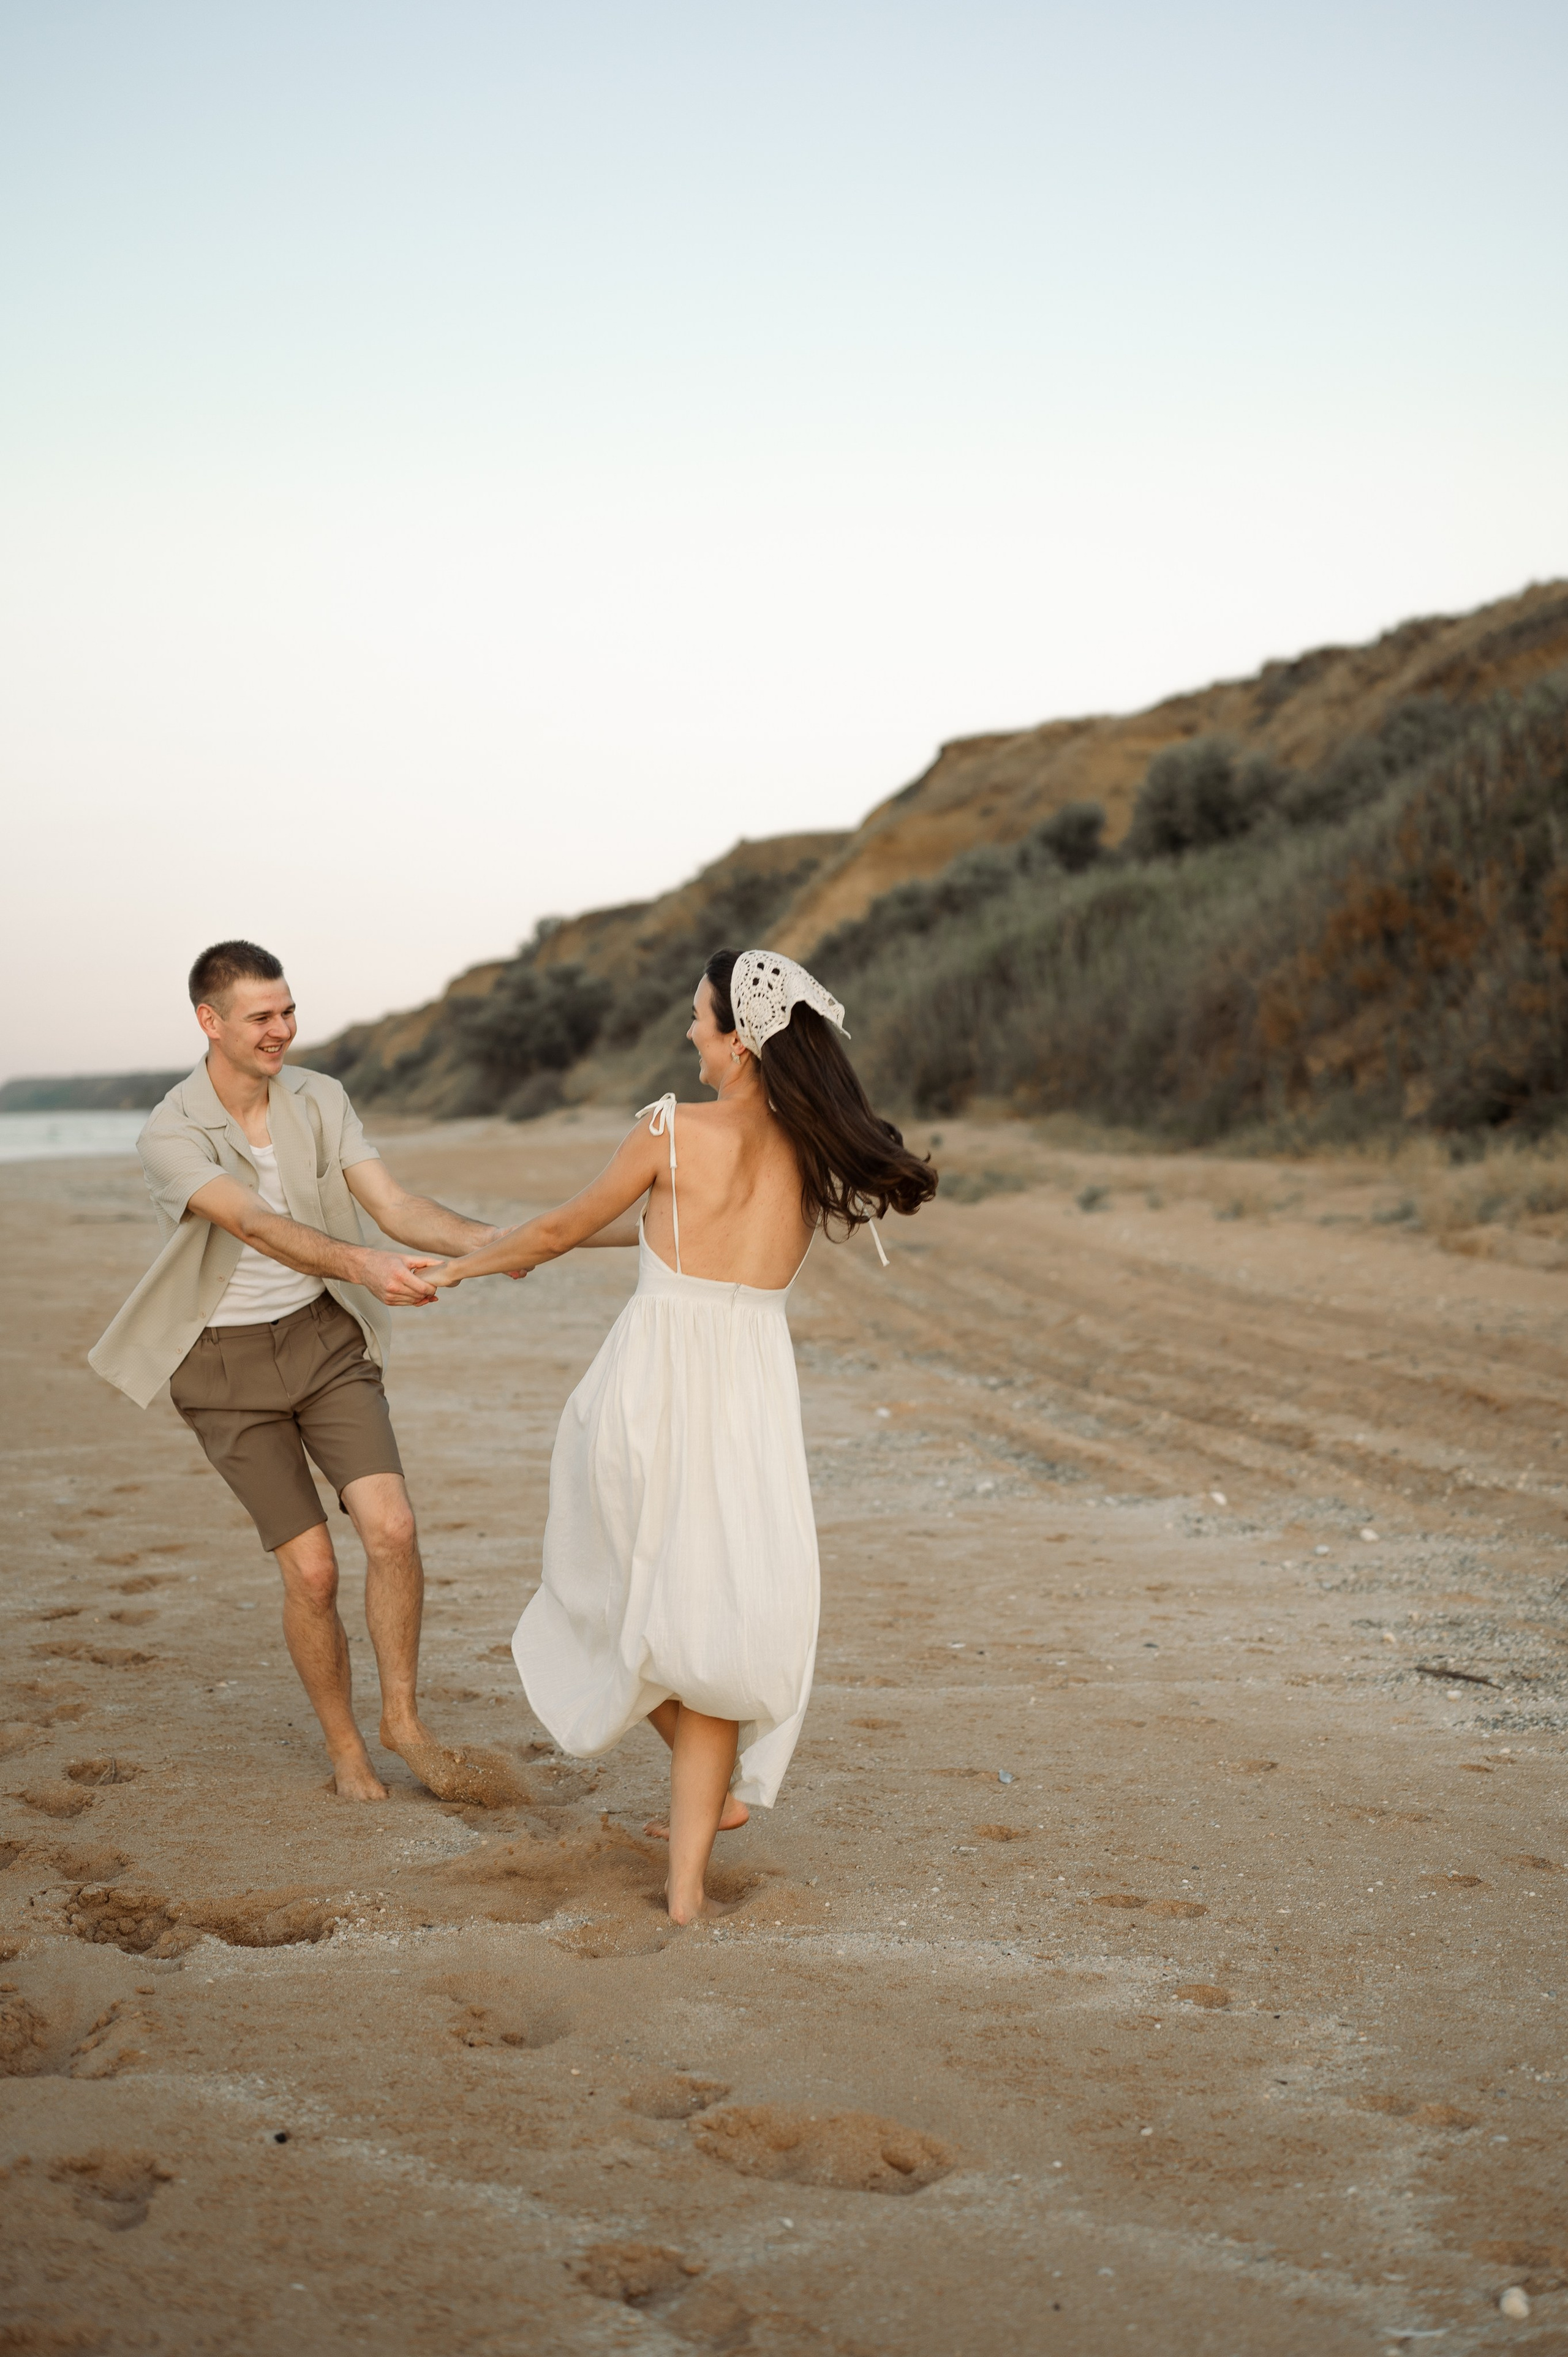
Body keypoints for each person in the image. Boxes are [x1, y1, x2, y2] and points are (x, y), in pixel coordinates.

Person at [424, 946, 937, 1920]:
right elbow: (627, 1223)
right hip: (751, 1402)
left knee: (606, 1589)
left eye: (700, 1018)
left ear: (739, 1042)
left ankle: (696, 1849)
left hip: (651, 1391)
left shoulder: (670, 1130)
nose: (689, 1032)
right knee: (702, 1613)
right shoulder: (811, 1150)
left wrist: (458, 1268)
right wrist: (511, 1244)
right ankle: (687, 1897)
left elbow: (561, 1229)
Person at [89, 939, 517, 1804]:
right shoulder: (169, 1131)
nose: (281, 1030)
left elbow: (393, 1204)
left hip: (324, 1343)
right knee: (314, 1571)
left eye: (288, 1011)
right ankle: (346, 1747)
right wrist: (365, 1264)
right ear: (210, 1022)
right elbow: (252, 1223)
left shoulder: (321, 1098)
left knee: (392, 1528)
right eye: (261, 1017)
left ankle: (403, 1722)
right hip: (223, 1369)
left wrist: (501, 1243)